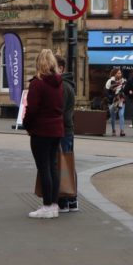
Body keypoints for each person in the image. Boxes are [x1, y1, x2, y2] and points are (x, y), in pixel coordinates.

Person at [22, 49, 64, 219]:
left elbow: (32, 109)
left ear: (39, 63)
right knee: (53, 167)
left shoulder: (37, 84)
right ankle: (53, 204)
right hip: (57, 129)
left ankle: (46, 206)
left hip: (41, 130)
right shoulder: (59, 83)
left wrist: (26, 124)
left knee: (44, 168)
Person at [55, 54, 78, 213]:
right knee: (67, 163)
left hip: (63, 129)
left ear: (61, 68)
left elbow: (60, 111)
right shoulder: (67, 84)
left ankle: (64, 200)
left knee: (63, 164)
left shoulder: (62, 86)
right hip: (67, 129)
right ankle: (71, 200)